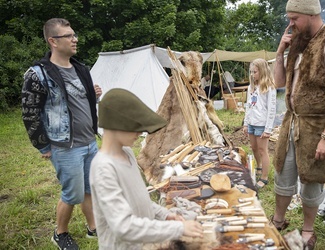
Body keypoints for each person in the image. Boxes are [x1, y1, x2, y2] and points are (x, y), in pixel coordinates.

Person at [271, 0, 325, 249]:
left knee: (312, 180)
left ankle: (308, 230)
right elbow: (278, 84)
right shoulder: (298, 42)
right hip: (292, 123)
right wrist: (279, 54)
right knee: (283, 175)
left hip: (318, 126)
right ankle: (278, 220)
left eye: (294, 18)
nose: (290, 24)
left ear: (311, 15)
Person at [21, 18, 102, 250]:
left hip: (89, 142)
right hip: (65, 146)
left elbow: (77, 101)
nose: (75, 39)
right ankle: (60, 233)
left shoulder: (80, 68)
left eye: (74, 34)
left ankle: (92, 227)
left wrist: (93, 95)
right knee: (72, 193)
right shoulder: (37, 74)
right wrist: (42, 145)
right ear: (53, 41)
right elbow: (30, 113)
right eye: (69, 36)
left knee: (89, 188)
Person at [90, 88, 204, 249]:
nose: (141, 132)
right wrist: (178, 229)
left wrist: (165, 215)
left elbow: (139, 199)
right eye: (134, 126)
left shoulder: (127, 154)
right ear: (117, 123)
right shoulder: (103, 167)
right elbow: (123, 226)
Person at [242, 58, 276, 189]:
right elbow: (248, 106)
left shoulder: (269, 87)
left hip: (262, 124)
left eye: (254, 72)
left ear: (262, 71)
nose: (252, 75)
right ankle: (259, 166)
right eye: (251, 72)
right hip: (251, 123)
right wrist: (245, 124)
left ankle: (265, 177)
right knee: (254, 148)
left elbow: (271, 110)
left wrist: (268, 129)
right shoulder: (251, 87)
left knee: (263, 150)